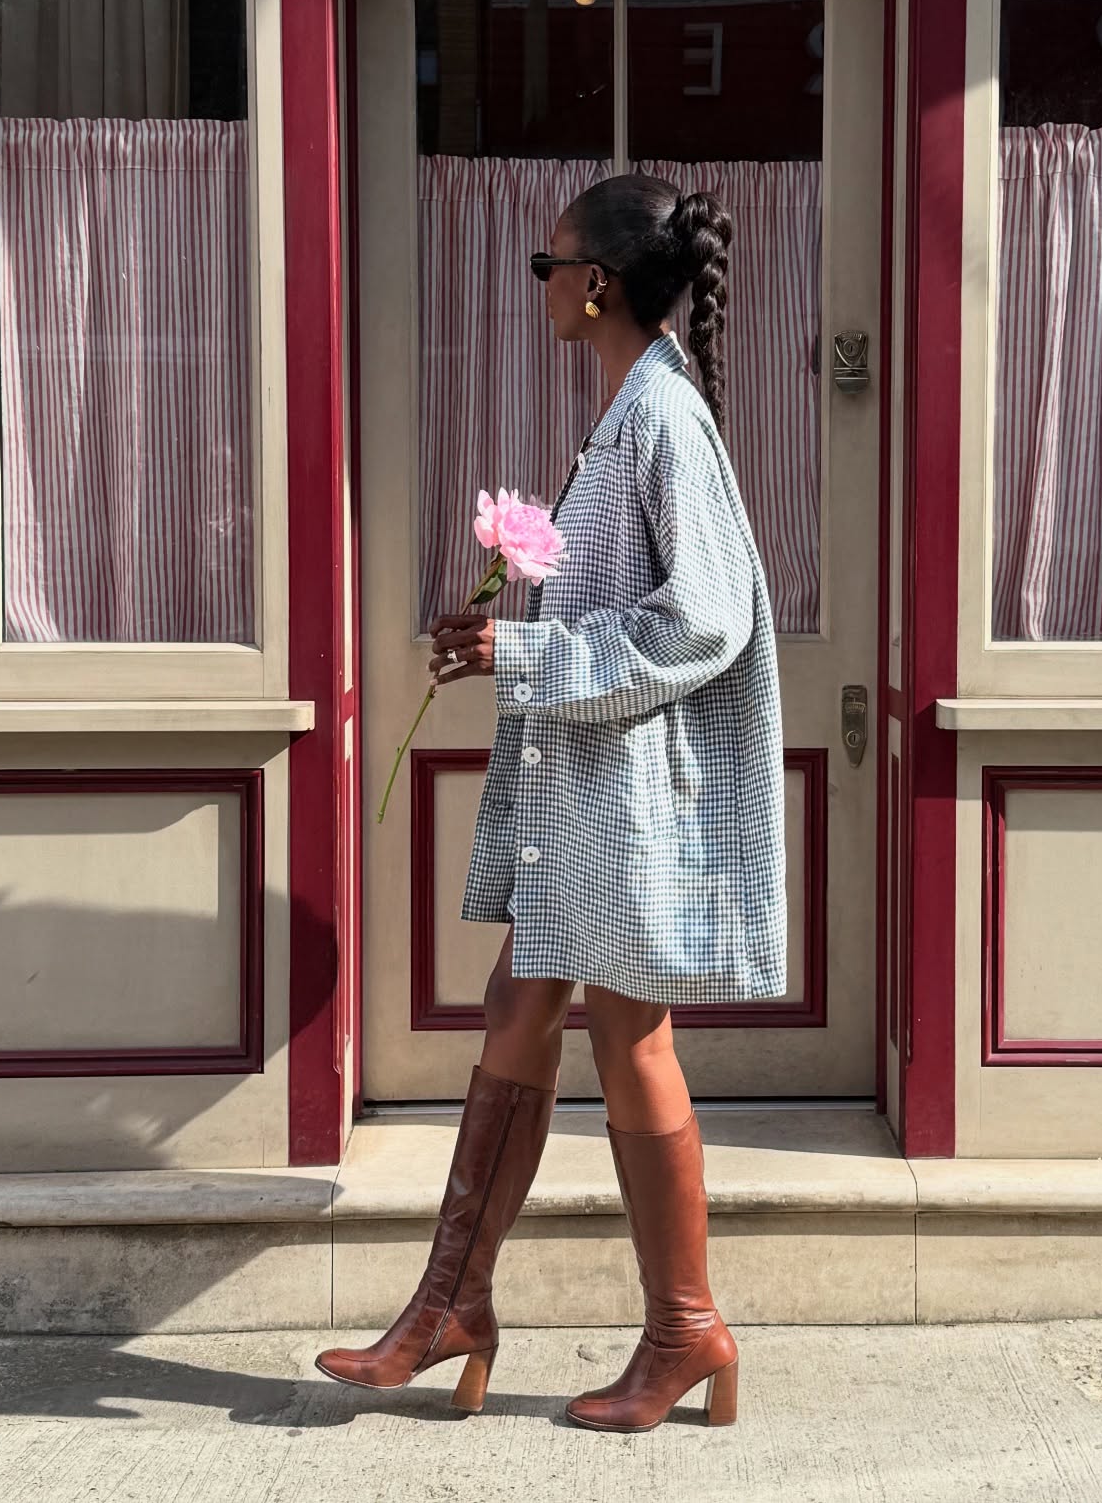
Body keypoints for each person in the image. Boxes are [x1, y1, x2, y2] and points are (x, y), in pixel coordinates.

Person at [315, 174, 786, 1433]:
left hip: (628, 800)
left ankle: (686, 1327)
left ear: (598, 285)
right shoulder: (631, 412)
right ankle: (450, 1302)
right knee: (519, 1006)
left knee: (630, 1039)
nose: (540, 281)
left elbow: (707, 619)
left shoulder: (663, 422)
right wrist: (505, 630)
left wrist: (519, 656)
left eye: (551, 262)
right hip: (588, 794)